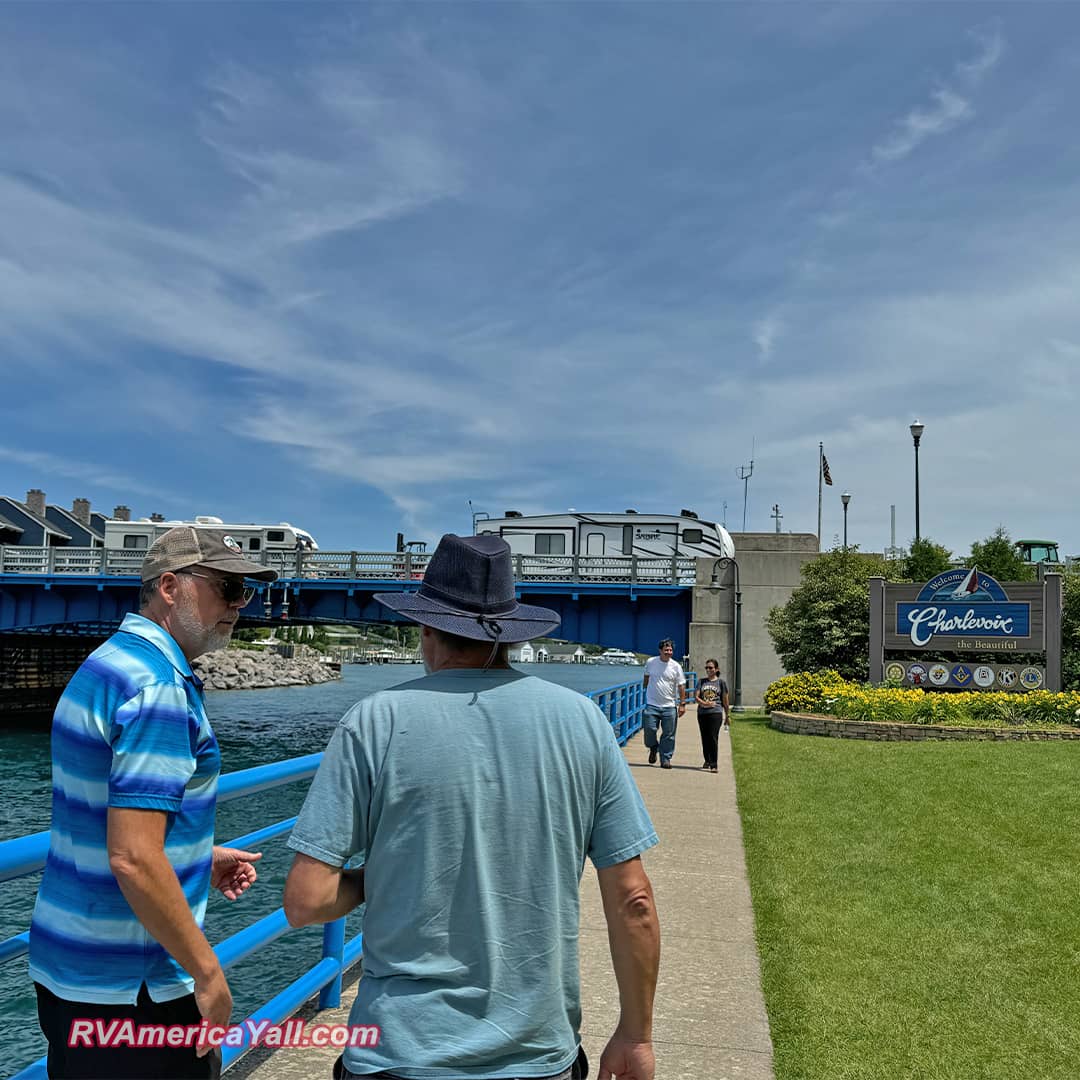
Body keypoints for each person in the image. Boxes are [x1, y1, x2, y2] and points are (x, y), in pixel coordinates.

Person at [283, 533, 661, 1080]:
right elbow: (635, 901)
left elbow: (305, 901)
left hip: (398, 1054)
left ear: (426, 627)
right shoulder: (582, 721)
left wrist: (383, 874)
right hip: (537, 1057)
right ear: (510, 634)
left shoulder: (373, 721)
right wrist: (635, 1035)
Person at [28, 527, 276, 1079]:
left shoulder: (107, 664)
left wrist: (191, 857)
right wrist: (208, 974)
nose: (240, 606)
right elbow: (134, 858)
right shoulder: (158, 688)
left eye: (246, 591)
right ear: (170, 586)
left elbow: (101, 815)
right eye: (229, 588)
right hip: (134, 992)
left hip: (71, 969)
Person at [642, 639, 686, 769]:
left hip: (669, 706)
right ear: (660, 650)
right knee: (649, 730)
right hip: (652, 704)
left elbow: (681, 685)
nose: (669, 652)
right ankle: (653, 747)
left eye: (671, 650)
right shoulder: (651, 662)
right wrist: (646, 688)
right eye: (666, 650)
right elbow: (646, 677)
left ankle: (665, 759)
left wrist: (682, 704)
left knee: (669, 734)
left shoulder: (676, 666)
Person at [694, 659, 730, 773]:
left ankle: (714, 764)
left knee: (713, 738)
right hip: (702, 713)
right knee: (704, 738)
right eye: (707, 668)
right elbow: (696, 696)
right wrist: (704, 703)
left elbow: (725, 700)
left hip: (716, 713)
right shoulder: (701, 681)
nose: (708, 670)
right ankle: (707, 760)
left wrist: (727, 715)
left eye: (711, 668)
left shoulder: (721, 683)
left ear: (716, 669)